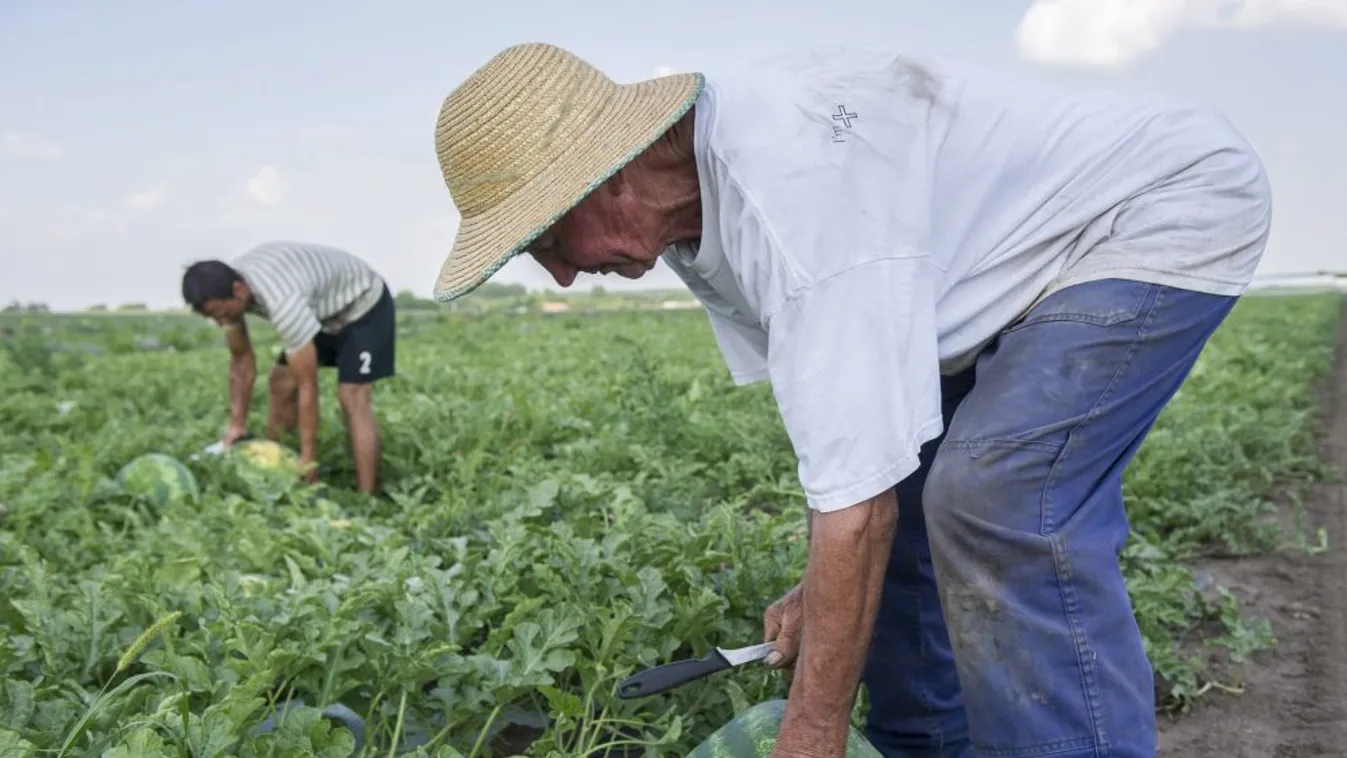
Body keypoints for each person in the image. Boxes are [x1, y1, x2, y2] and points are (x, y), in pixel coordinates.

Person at [427, 44, 1271, 758]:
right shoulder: (696, 218)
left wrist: (812, 727)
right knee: (901, 524)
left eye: (546, 242)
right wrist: (816, 591)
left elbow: (854, 506)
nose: (564, 275)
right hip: (978, 277)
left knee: (998, 501)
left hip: (1150, 210)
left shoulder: (796, 213)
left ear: (605, 182)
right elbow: (858, 461)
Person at [180, 240, 396, 494]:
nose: (220, 322)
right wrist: (236, 425)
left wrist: (309, 457)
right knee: (280, 382)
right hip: (319, 311)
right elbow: (241, 361)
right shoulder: (224, 293)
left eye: (222, 314)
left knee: (352, 395)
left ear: (238, 290)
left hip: (361, 306)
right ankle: (277, 469)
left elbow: (308, 385)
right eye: (213, 317)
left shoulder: (282, 300)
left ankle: (366, 496)